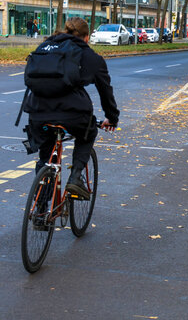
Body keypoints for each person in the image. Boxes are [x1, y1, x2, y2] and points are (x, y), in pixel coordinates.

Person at [24, 17, 119, 199]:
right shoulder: (90, 56)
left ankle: (40, 209)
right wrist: (111, 117)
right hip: (73, 115)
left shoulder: (44, 48)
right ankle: (76, 177)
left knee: (46, 155)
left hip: (37, 113)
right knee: (88, 132)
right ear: (86, 37)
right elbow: (105, 91)